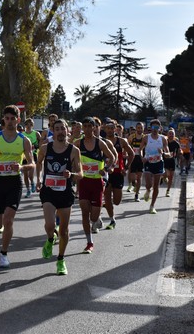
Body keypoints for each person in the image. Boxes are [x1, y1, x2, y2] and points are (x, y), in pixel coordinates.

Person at [0, 105, 35, 268]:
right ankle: (2, 238)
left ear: (18, 120)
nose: (10, 121)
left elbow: (32, 163)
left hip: (14, 182)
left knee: (8, 220)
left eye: (13, 118)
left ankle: (4, 253)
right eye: (7, 118)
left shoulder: (24, 141)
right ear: (3, 120)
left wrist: (21, 168)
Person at [36, 119, 82, 275]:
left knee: (63, 231)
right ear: (53, 131)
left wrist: (72, 174)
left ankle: (61, 260)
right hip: (48, 191)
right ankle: (50, 239)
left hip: (65, 192)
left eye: (63, 128)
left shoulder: (74, 150)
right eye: (57, 129)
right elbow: (38, 163)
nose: (60, 131)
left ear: (67, 131)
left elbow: (80, 173)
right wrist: (37, 180)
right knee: (49, 225)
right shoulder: (44, 148)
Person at [74, 116, 115, 253]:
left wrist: (106, 169)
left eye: (89, 126)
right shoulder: (78, 143)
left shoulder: (100, 143)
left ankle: (97, 220)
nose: (86, 129)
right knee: (85, 212)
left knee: (93, 216)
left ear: (94, 127)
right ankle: (89, 242)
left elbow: (112, 157)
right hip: (84, 182)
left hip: (97, 182)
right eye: (84, 126)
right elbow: (70, 157)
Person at [103, 119, 134, 229]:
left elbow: (131, 154)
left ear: (115, 129)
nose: (110, 130)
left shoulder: (121, 141)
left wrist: (126, 167)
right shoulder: (102, 141)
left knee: (116, 201)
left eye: (112, 128)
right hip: (106, 173)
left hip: (118, 173)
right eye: (108, 128)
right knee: (107, 196)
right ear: (105, 129)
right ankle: (112, 220)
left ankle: (111, 205)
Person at [140, 119, 170, 214]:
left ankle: (152, 206)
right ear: (150, 128)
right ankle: (148, 190)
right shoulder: (146, 138)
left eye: (157, 127)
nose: (155, 129)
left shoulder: (163, 139)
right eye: (153, 127)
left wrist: (164, 153)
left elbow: (168, 153)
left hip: (158, 163)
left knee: (156, 186)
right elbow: (140, 149)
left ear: (160, 128)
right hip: (148, 162)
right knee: (148, 184)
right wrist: (142, 157)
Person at [22, 118, 41, 198]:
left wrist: (35, 147)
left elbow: (41, 143)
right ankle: (28, 190)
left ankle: (32, 183)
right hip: (24, 156)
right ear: (25, 125)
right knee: (25, 176)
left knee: (30, 175)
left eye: (30, 124)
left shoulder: (36, 133)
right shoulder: (22, 134)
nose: (28, 126)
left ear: (32, 125)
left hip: (33, 155)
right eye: (27, 124)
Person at [127, 122, 145, 201]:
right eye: (138, 128)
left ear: (143, 129)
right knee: (133, 177)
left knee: (139, 177)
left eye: (141, 128)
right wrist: (128, 154)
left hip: (141, 159)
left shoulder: (145, 137)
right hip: (133, 158)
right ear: (136, 128)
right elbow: (127, 146)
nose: (139, 129)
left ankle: (136, 195)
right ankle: (134, 184)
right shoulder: (132, 137)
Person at [164, 129, 181, 197]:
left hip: (172, 161)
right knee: (166, 174)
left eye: (172, 134)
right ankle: (164, 177)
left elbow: (179, 151)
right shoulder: (164, 142)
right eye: (170, 134)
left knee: (171, 177)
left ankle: (168, 191)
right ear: (167, 135)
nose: (171, 135)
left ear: (174, 135)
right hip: (165, 160)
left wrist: (180, 154)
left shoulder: (176, 143)